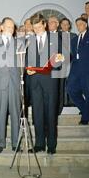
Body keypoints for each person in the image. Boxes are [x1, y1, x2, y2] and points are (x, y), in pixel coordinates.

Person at [26, 13, 63, 154]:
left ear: (44, 24)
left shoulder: (55, 38)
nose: (36, 31)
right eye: (34, 28)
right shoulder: (30, 40)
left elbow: (64, 57)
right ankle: (39, 144)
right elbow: (28, 61)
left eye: (38, 27)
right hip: (35, 82)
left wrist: (59, 60)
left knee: (51, 113)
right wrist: (28, 69)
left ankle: (52, 145)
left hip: (50, 81)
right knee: (37, 113)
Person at [0, 17, 21, 153]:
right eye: (8, 27)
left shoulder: (19, 43)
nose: (10, 30)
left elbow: (21, 65)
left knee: (15, 113)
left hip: (15, 83)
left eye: (12, 27)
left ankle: (15, 142)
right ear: (1, 27)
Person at [67, 17, 89, 125]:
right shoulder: (74, 40)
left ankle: (85, 118)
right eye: (77, 25)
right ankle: (86, 110)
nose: (79, 26)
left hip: (88, 70)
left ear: (86, 25)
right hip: (75, 70)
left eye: (81, 24)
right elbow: (73, 56)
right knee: (71, 90)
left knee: (88, 93)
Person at [59, 17, 77, 107]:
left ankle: (72, 101)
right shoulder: (57, 36)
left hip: (72, 62)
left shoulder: (74, 36)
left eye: (67, 24)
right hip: (61, 63)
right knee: (62, 82)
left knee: (71, 82)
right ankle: (63, 102)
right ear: (60, 25)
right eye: (63, 24)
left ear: (69, 25)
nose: (65, 26)